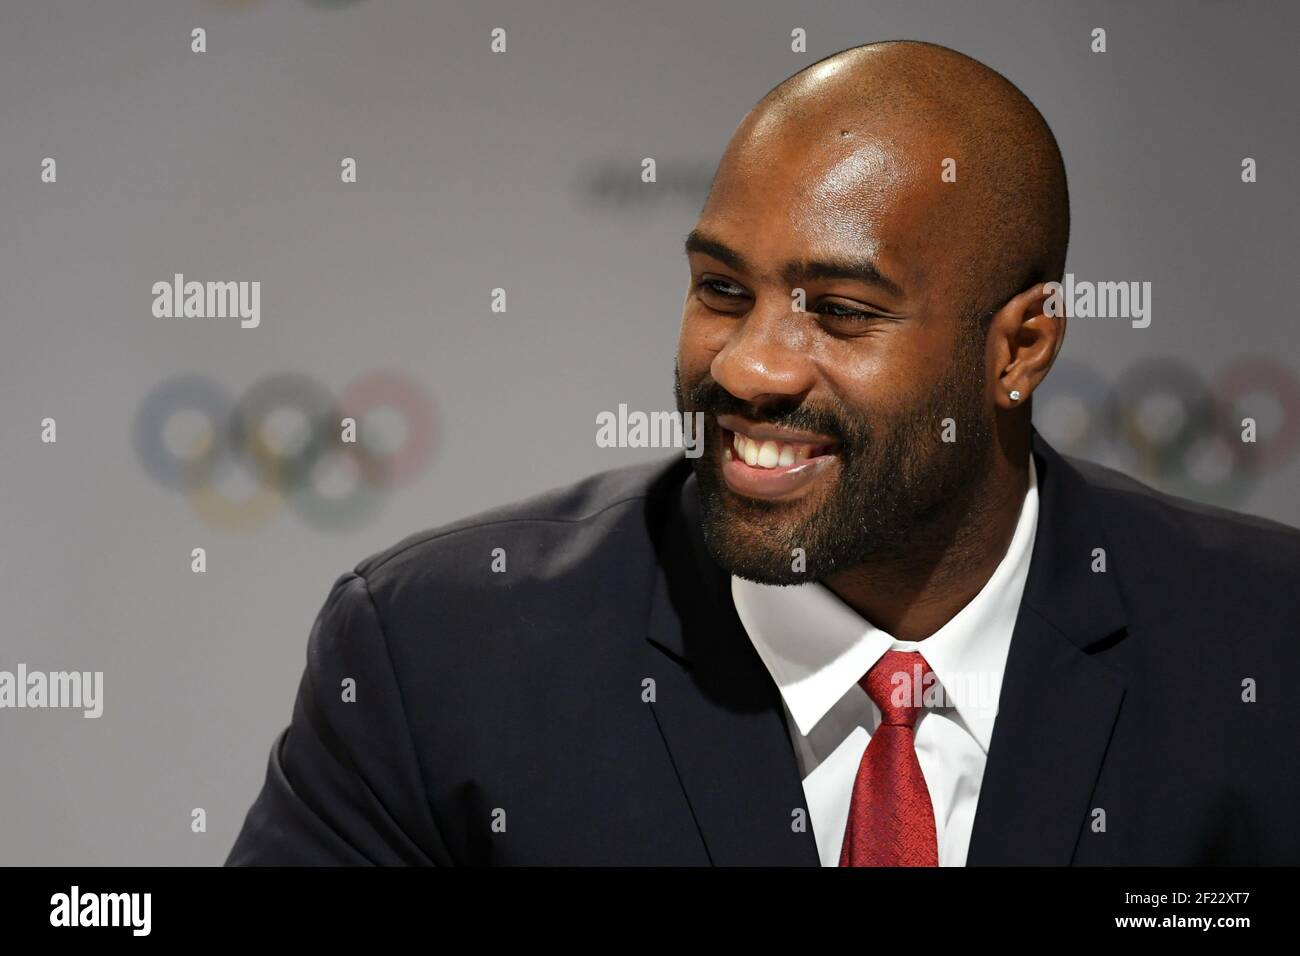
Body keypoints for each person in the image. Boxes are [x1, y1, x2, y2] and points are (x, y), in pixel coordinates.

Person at [227, 40, 1300, 866]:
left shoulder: (1264, 645)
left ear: (1018, 346)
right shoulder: (438, 655)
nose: (747, 367)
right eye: (721, 291)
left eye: (838, 311)